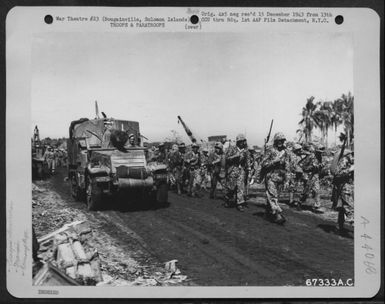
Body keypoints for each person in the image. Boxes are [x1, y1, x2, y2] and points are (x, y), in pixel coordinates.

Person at [260, 132, 290, 224]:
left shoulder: (286, 152)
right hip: (271, 176)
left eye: (282, 140)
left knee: (274, 196)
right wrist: (273, 162)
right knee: (273, 196)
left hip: (280, 178)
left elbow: (287, 167)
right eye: (279, 140)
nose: (280, 142)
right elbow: (263, 164)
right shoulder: (270, 150)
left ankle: (268, 213)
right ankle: (277, 215)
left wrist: (287, 180)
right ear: (276, 141)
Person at [224, 134, 249, 212]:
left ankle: (239, 203)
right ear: (238, 142)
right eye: (241, 141)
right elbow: (226, 158)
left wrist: (248, 169)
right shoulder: (232, 149)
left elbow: (247, 161)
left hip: (241, 170)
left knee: (240, 187)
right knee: (231, 187)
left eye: (243, 141)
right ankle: (228, 198)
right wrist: (235, 156)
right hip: (232, 169)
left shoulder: (245, 151)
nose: (242, 143)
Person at [332, 149, 354, 231]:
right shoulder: (344, 160)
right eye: (351, 154)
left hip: (348, 186)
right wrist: (350, 169)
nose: (352, 156)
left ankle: (339, 226)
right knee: (350, 208)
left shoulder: (350, 161)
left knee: (342, 208)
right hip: (344, 187)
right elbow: (337, 174)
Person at [299, 143, 325, 212]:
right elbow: (302, 166)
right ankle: (300, 201)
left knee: (316, 190)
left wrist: (320, 166)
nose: (320, 153)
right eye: (319, 152)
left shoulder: (320, 157)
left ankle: (317, 206)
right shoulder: (310, 156)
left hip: (315, 176)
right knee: (306, 191)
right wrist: (311, 167)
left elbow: (319, 166)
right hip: (309, 175)